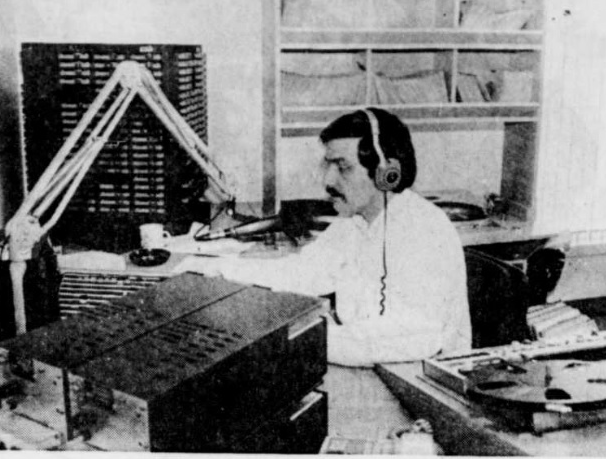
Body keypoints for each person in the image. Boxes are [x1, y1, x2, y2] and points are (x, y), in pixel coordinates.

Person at [184, 108, 471, 367]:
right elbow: (300, 273)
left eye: (343, 167)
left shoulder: (424, 231)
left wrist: (290, 340)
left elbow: (414, 338)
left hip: (417, 379)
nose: (328, 181)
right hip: (369, 364)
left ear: (388, 173)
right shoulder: (355, 222)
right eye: (329, 166)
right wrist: (207, 267)